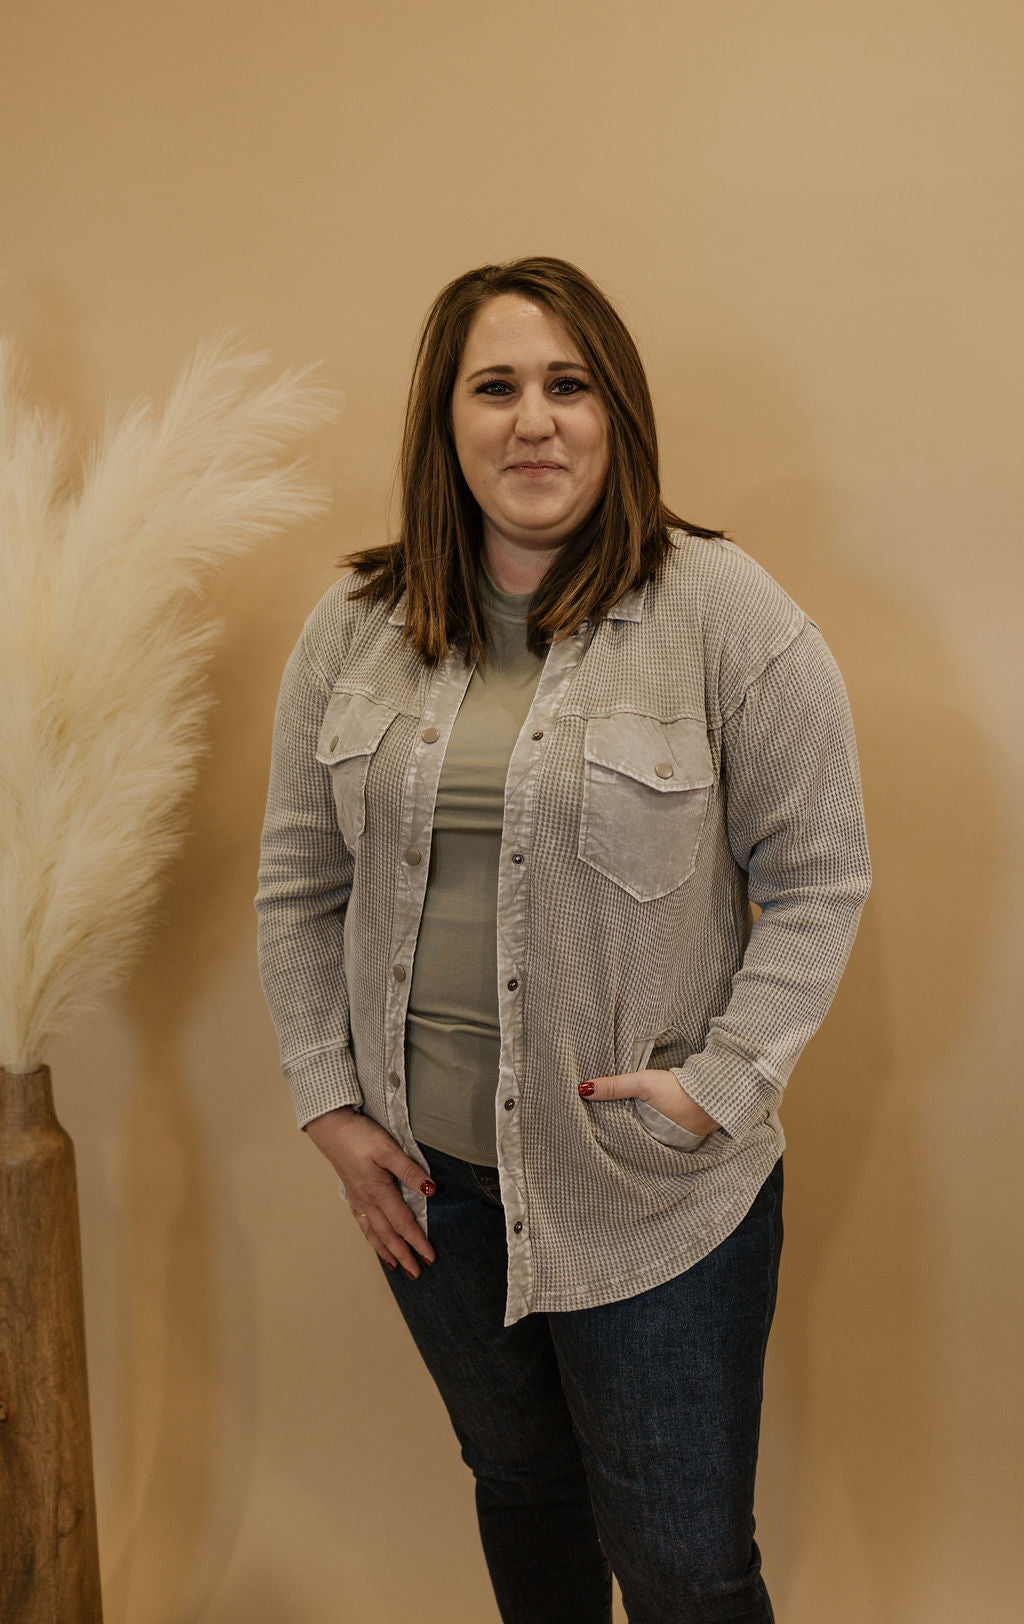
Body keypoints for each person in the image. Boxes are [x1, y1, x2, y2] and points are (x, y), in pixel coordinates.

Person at [256, 256, 871, 1624]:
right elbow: (298, 882)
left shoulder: (724, 614)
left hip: (649, 1193)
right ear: (446, 420)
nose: (533, 420)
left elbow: (823, 878)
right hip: (431, 1192)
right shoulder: (354, 628)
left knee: (684, 1569)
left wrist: (720, 1088)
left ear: (615, 414)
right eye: (495, 387)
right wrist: (328, 1104)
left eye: (567, 385)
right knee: (524, 1495)